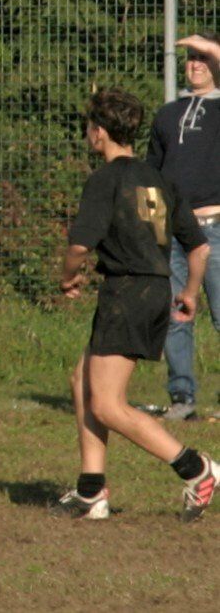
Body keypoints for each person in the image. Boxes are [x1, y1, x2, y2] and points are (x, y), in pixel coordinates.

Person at [53, 87, 215, 522]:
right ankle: (91, 490)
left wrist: (67, 278)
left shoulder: (105, 179)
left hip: (126, 293)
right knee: (82, 380)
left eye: (90, 127)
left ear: (99, 133)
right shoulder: (160, 179)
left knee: (107, 403)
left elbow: (80, 245)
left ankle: (196, 468)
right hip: (154, 290)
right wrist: (190, 293)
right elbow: (198, 249)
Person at [148, 34, 220, 421]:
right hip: (174, 229)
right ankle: (182, 397)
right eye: (190, 58)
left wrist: (211, 47)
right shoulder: (167, 114)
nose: (195, 64)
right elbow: (152, 172)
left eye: (203, 58)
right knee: (177, 313)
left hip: (215, 227)